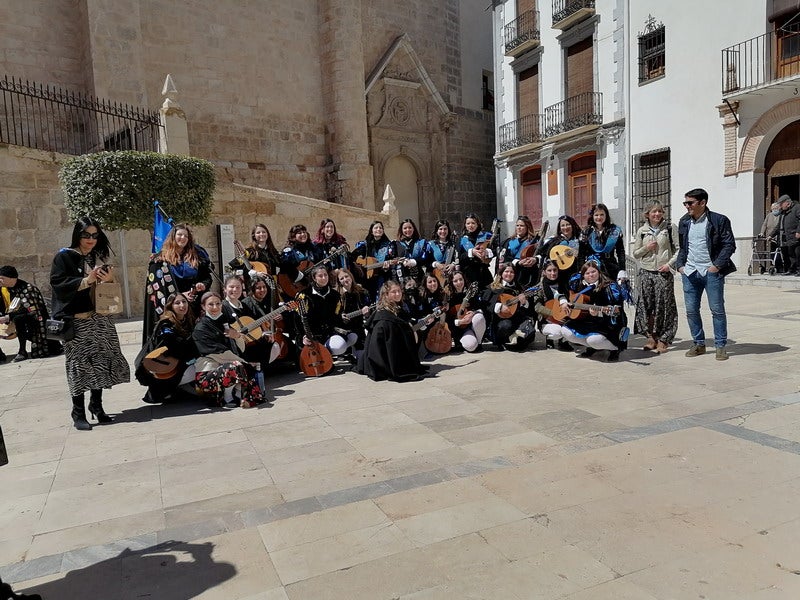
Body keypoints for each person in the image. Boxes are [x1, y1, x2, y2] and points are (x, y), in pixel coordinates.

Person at [50, 217, 130, 430]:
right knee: (79, 365)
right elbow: (58, 284)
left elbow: (106, 289)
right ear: (78, 234)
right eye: (86, 235)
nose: (91, 239)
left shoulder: (96, 256)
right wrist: (87, 280)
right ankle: (78, 413)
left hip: (100, 318)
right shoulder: (64, 257)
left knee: (101, 361)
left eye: (95, 235)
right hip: (78, 321)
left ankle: (97, 405)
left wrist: (108, 278)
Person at [675, 188, 736, 361]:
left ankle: (720, 346)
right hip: (690, 272)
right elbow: (683, 247)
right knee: (691, 310)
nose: (687, 206)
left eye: (690, 203)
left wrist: (716, 266)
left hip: (711, 272)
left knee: (717, 310)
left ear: (703, 203)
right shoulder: (685, 221)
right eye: (685, 203)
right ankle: (699, 343)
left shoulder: (719, 220)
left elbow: (729, 245)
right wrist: (681, 266)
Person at [192, 291, 264, 408]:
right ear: (203, 306)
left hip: (225, 368)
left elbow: (240, 349)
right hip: (208, 378)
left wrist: (236, 336)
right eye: (211, 304)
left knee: (243, 369)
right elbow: (220, 353)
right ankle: (228, 397)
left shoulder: (224, 321)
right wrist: (245, 364)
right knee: (237, 366)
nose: (215, 307)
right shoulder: (200, 329)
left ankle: (238, 395)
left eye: (218, 303)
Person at [144, 224, 212, 342]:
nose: (183, 238)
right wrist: (180, 296)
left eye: (186, 235)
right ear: (173, 237)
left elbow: (207, 277)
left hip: (193, 306)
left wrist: (202, 285)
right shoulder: (160, 259)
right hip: (172, 307)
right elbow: (157, 288)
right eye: (179, 235)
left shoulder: (196, 256)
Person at [357, 280, 428, 382]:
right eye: (394, 292)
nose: (398, 294)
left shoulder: (399, 308)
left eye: (399, 291)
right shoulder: (384, 316)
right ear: (386, 294)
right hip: (382, 359)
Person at [632, 201, 679, 354]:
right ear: (647, 214)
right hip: (646, 272)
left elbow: (679, 250)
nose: (657, 214)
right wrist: (647, 248)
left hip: (663, 272)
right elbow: (636, 254)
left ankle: (664, 339)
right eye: (653, 212)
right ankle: (651, 338)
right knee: (648, 307)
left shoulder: (670, 228)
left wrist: (669, 265)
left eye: (659, 211)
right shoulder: (642, 231)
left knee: (665, 307)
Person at [136, 292, 199, 403]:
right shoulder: (165, 324)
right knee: (202, 368)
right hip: (167, 369)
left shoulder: (188, 321)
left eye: (184, 302)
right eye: (177, 303)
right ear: (170, 306)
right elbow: (172, 346)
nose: (182, 305)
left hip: (180, 364)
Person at [559, 260, 627, 361]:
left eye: (593, 272)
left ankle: (615, 348)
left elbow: (617, 311)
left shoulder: (609, 287)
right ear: (583, 275)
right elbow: (562, 292)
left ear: (599, 272)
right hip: (586, 321)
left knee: (594, 340)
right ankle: (593, 347)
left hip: (607, 323)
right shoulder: (578, 283)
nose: (590, 275)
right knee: (565, 331)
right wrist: (563, 302)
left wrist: (599, 313)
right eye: (587, 273)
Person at [295, 266, 358, 358]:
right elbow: (297, 319)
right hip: (311, 335)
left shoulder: (335, 295)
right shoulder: (304, 295)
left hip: (329, 332)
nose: (324, 278)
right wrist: (302, 336)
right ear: (314, 278)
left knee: (352, 337)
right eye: (320, 276)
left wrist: (341, 318)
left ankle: (325, 353)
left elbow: (336, 315)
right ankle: (319, 353)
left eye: (325, 275)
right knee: (339, 345)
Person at [0, 265, 59, 362]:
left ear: (11, 278)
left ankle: (22, 351)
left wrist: (7, 317)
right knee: (18, 319)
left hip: (36, 320)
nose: (0, 280)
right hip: (21, 318)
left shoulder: (28, 289)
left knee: (19, 319)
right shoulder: (9, 289)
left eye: (2, 278)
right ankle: (18, 351)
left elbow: (30, 310)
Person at [485, 262, 535, 351]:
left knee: (531, 334)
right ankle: (503, 341)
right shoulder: (493, 287)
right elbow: (486, 303)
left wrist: (524, 303)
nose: (509, 274)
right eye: (506, 271)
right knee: (506, 326)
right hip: (500, 321)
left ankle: (514, 339)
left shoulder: (520, 288)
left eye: (512, 272)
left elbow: (529, 310)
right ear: (501, 273)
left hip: (517, 320)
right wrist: (499, 306)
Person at [531, 259, 572, 351]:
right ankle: (550, 338)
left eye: (555, 270)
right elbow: (537, 307)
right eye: (549, 270)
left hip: (565, 316)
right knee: (557, 332)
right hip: (548, 319)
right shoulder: (539, 287)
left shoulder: (564, 284)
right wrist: (554, 313)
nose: (552, 273)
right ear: (544, 272)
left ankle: (564, 341)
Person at [351, 220, 396, 300]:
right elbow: (352, 256)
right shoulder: (365, 244)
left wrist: (386, 268)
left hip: (382, 277)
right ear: (371, 231)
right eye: (376, 228)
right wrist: (358, 264)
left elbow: (391, 260)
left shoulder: (389, 245)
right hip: (367, 279)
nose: (378, 229)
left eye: (380, 228)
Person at [539, 214, 588, 285]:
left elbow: (584, 256)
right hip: (559, 274)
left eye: (568, 224)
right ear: (559, 228)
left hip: (575, 272)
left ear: (573, 225)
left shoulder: (580, 240)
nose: (565, 227)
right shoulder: (555, 240)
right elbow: (543, 253)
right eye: (563, 225)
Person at [335, 268, 372, 361]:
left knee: (363, 358)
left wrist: (367, 313)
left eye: (346, 276)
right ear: (339, 282)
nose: (345, 280)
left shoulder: (362, 291)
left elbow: (369, 311)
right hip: (342, 329)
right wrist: (340, 316)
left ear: (351, 276)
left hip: (358, 327)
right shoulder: (336, 295)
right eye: (341, 278)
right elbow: (333, 314)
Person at [583, 204, 627, 281]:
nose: (599, 217)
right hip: (592, 269)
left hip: (610, 267)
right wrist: (581, 271)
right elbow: (581, 254)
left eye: (602, 214)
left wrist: (622, 269)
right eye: (596, 215)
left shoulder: (614, 231)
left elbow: (620, 252)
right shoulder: (586, 232)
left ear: (606, 215)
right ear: (592, 216)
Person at [446, 271, 486, 352]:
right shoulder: (448, 297)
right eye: (455, 281)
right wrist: (460, 322)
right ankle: (461, 341)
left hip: (469, 327)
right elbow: (446, 319)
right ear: (451, 282)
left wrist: (473, 313)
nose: (459, 283)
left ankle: (479, 342)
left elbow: (481, 308)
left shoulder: (470, 293)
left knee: (479, 317)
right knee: (470, 346)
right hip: (456, 329)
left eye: (461, 279)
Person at [279, 224, 321, 296]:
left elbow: (318, 263)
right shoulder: (289, 250)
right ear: (293, 236)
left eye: (304, 232)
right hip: (294, 287)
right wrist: (299, 276)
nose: (303, 234)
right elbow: (284, 266)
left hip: (311, 286)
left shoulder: (313, 249)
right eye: (299, 233)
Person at [499, 216, 539, 287]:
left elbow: (540, 254)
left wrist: (535, 259)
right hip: (512, 274)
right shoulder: (508, 241)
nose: (519, 227)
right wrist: (517, 263)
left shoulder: (534, 241)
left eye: (522, 226)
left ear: (527, 227)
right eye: (517, 225)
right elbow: (504, 258)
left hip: (528, 274)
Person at [458, 214, 495, 288]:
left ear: (477, 224)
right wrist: (471, 252)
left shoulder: (487, 236)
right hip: (469, 273)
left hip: (484, 272)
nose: (470, 225)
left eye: (473, 223)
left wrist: (487, 252)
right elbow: (460, 258)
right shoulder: (462, 240)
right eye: (468, 223)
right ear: (465, 225)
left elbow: (495, 250)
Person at [393, 218, 427, 285]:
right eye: (405, 228)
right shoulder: (396, 244)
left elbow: (425, 258)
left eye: (410, 228)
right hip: (402, 277)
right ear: (401, 230)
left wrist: (414, 261)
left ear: (413, 229)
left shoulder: (421, 243)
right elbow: (393, 259)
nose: (407, 230)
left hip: (418, 276)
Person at [426, 219, 458, 284]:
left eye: (445, 229)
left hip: (450, 276)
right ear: (436, 231)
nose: (443, 231)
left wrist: (453, 264)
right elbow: (426, 262)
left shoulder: (453, 244)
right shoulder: (430, 244)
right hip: (435, 276)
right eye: (440, 229)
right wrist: (436, 264)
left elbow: (457, 258)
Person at [776, 195, 800, 276]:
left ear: (787, 203)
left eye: (781, 204)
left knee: (798, 254)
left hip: (796, 236)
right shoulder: (784, 212)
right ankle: (792, 270)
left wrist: (798, 231)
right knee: (791, 255)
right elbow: (779, 224)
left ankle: (799, 270)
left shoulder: (797, 208)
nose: (780, 206)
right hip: (789, 237)